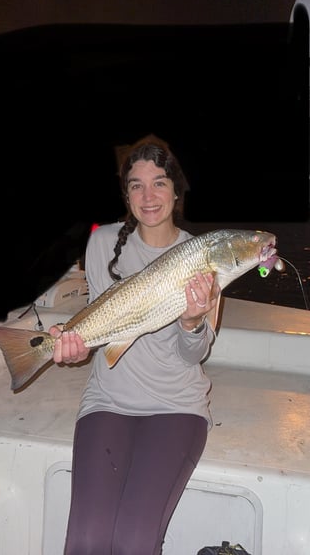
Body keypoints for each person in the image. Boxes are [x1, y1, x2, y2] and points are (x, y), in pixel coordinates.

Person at [50, 135, 220, 555]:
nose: (148, 196)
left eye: (159, 182)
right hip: (108, 401)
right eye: (136, 185)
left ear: (177, 191)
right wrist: (76, 344)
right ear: (125, 195)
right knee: (86, 539)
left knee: (133, 540)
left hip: (176, 406)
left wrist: (193, 320)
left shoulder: (201, 256)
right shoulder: (102, 243)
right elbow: (102, 323)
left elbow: (193, 354)